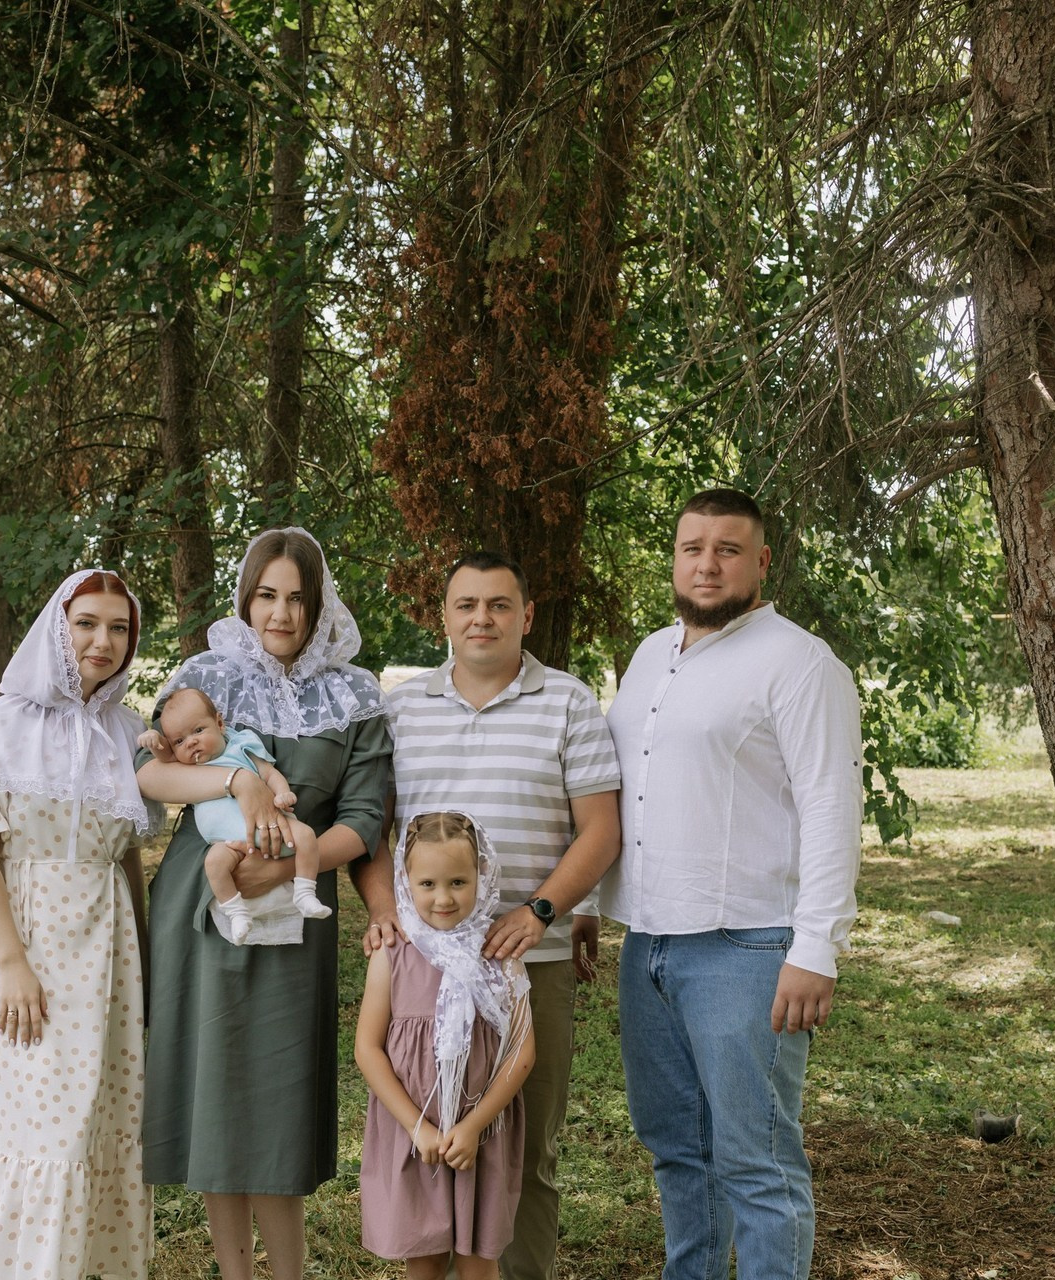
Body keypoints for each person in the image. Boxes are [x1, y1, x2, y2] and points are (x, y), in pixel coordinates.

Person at [599, 488, 863, 1280]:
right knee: (677, 1150)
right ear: (674, 558)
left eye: (727, 548)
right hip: (648, 942)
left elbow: (830, 804)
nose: (707, 563)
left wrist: (816, 946)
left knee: (757, 1159)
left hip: (748, 945)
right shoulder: (650, 655)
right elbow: (624, 787)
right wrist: (589, 905)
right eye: (693, 547)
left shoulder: (799, 661)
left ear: (760, 560)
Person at [137, 527, 391, 1280]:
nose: (279, 614)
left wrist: (281, 873)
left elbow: (366, 821)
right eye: (265, 595)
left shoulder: (355, 694)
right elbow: (151, 777)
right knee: (218, 1090)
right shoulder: (205, 679)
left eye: (296, 598)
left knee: (275, 1100)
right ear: (246, 598)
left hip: (294, 903)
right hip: (204, 900)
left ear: (318, 607)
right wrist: (236, 782)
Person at [366, 550, 621, 1280]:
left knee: (523, 1149)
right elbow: (372, 823)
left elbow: (600, 829)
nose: (483, 618)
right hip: (420, 969)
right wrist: (386, 911)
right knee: (427, 1144)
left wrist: (542, 911)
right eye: (467, 605)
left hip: (525, 964)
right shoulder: (403, 707)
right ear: (444, 616)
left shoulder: (569, 702)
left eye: (499, 605)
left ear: (527, 615)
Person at [0, 569, 160, 1280]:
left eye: (118, 627)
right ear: (58, 628)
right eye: (87, 624)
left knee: (88, 1129)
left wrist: (145, 958)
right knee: (27, 1131)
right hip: (22, 944)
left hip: (106, 954)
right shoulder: (4, 723)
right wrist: (12, 960)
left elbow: (127, 857)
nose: (102, 641)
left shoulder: (129, 731)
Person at [357, 810, 535, 1280]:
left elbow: (522, 1050)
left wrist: (475, 1125)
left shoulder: (500, 958)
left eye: (458, 882)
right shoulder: (392, 956)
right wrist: (417, 1128)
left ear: (482, 876)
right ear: (405, 882)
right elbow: (367, 1049)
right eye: (428, 883)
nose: (442, 898)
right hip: (414, 1132)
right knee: (426, 1256)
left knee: (481, 1260)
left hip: (482, 1133)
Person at [137, 685, 330, 944]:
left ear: (219, 723)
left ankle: (306, 893)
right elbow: (165, 759)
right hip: (227, 843)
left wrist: (282, 792)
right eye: (179, 741)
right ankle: (236, 912)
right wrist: (155, 741)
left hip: (273, 827)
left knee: (306, 836)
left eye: (198, 730)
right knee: (214, 864)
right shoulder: (186, 766)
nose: (191, 742)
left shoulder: (240, 746)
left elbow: (269, 773)